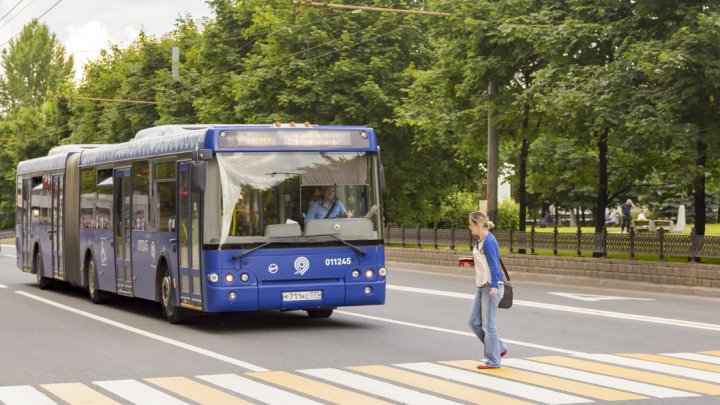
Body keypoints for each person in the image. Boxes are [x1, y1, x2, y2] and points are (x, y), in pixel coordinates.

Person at [467, 211, 507, 369]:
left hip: (491, 286)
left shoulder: (489, 241)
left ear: (478, 224)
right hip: (481, 286)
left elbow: (494, 265)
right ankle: (499, 347)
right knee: (473, 322)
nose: (470, 228)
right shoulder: (481, 240)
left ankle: (493, 361)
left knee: (488, 325)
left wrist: (496, 286)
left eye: (471, 225)